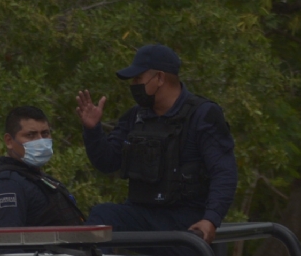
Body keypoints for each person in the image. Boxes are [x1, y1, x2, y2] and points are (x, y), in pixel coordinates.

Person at [76, 44, 237, 243]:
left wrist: (210, 219)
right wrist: (93, 130)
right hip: (141, 214)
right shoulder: (135, 116)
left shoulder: (202, 115)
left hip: (185, 222)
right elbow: (107, 162)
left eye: (138, 79)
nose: (134, 85)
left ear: (160, 78)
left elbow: (224, 172)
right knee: (103, 215)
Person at [0, 106, 85, 227]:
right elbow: (7, 242)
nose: (41, 141)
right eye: (31, 135)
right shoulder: (8, 186)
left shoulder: (39, 179)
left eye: (45, 133)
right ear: (9, 141)